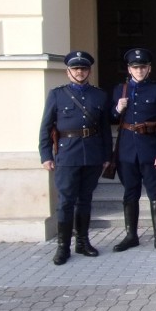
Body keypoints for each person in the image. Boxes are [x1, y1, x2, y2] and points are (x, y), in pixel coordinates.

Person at [38, 51, 112, 265]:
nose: (80, 72)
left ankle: (83, 241)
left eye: (84, 68)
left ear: (89, 71)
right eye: (76, 69)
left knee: (85, 200)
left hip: (92, 153)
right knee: (66, 202)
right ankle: (63, 246)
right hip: (67, 153)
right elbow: (46, 127)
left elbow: (105, 129)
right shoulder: (57, 94)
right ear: (68, 71)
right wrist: (45, 155)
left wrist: (106, 155)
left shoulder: (99, 95)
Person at [111, 48, 156, 254]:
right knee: (130, 193)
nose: (139, 70)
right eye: (135, 67)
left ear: (149, 69)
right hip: (127, 151)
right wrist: (117, 109)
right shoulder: (121, 89)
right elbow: (110, 119)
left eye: (143, 67)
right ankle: (131, 236)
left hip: (151, 150)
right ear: (129, 69)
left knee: (155, 193)